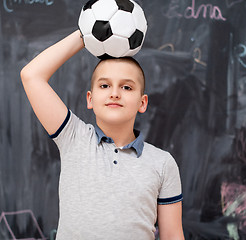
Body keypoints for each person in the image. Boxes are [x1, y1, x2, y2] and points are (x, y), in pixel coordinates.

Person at [20, 29, 184, 240]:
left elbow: (172, 235)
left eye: (126, 87)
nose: (114, 93)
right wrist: (86, 34)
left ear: (142, 103)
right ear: (90, 99)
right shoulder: (74, 138)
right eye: (105, 85)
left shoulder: (162, 163)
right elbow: (31, 75)